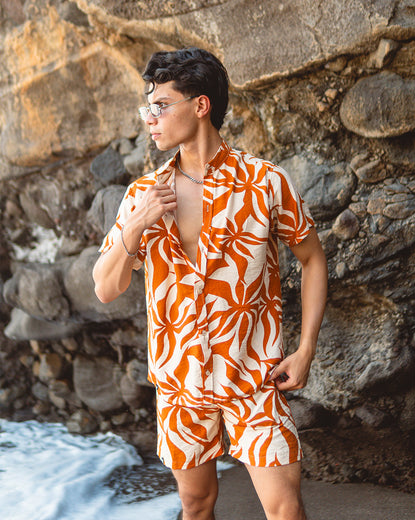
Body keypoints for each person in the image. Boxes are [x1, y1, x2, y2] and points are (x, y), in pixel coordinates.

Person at [93, 47, 327, 520]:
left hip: (254, 379)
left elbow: (313, 258)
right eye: (148, 108)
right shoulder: (142, 195)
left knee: (285, 509)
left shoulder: (265, 183)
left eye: (160, 106)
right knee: (196, 505)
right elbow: (104, 288)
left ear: (201, 106)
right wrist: (135, 227)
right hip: (180, 384)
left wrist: (305, 349)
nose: (150, 119)